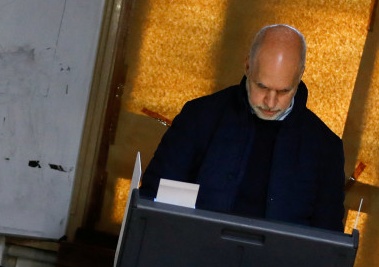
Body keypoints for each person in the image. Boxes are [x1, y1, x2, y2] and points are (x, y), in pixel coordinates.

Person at [139, 24, 346, 231]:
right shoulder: (200, 116)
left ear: (300, 75)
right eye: (262, 86)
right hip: (193, 253)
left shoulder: (325, 147)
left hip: (277, 262)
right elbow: (154, 196)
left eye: (284, 91)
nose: (271, 102)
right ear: (247, 66)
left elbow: (327, 240)